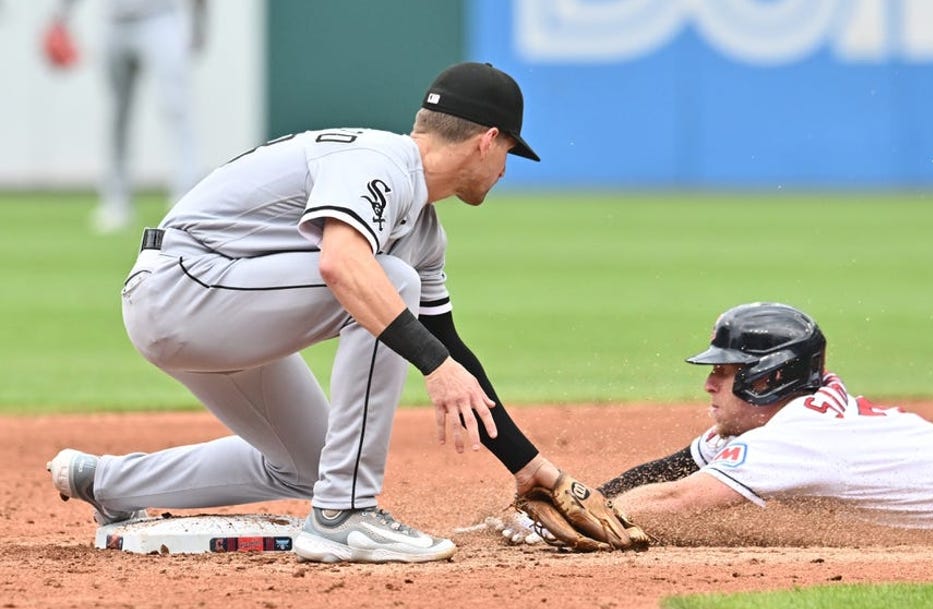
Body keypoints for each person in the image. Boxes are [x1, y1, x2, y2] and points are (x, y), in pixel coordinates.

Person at [47, 61, 637, 564]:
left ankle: (106, 481)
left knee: (308, 463)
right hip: (182, 290)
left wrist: (533, 468)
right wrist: (433, 365)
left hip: (223, 311)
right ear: (487, 139)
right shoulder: (378, 162)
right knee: (389, 282)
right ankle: (346, 514)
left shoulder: (424, 231)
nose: (507, 168)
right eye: (510, 150)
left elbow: (449, 349)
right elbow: (342, 266)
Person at [500, 302, 933, 544]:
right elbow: (673, 468)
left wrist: (580, 517)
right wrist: (570, 502)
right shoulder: (771, 421)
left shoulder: (803, 433)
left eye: (726, 367)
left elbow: (686, 498)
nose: (711, 380)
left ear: (770, 375)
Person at [45, 0, 206, 233]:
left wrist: (200, 25)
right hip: (114, 23)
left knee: (176, 108)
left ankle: (186, 195)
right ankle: (116, 201)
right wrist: (59, 18)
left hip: (159, 18)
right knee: (118, 115)